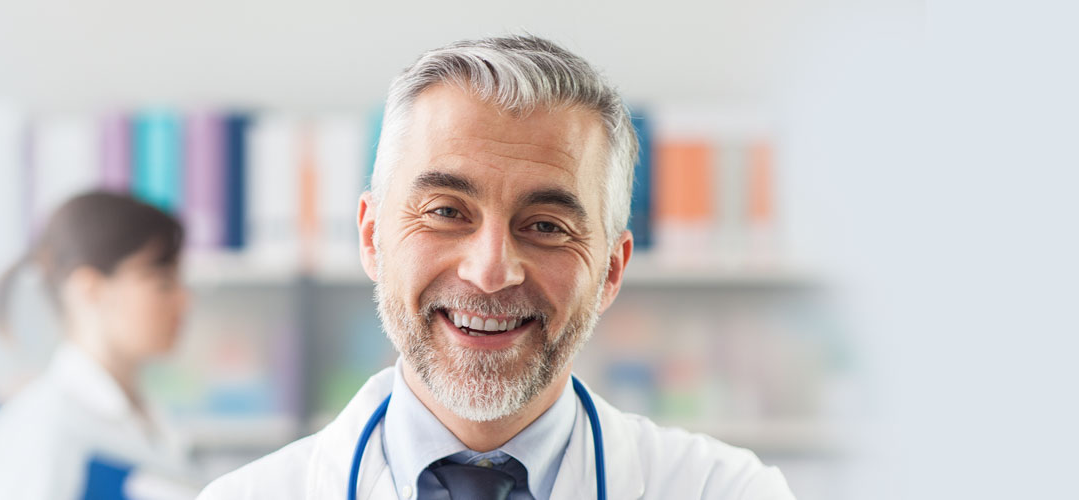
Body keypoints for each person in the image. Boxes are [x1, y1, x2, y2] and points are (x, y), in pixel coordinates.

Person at [200, 36, 795, 499]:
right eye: (446, 211)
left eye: (545, 226)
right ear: (373, 235)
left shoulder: (729, 491)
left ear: (611, 270)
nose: (490, 272)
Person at [0, 192, 199, 500]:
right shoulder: (37, 430)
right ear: (89, 288)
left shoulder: (147, 416)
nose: (184, 300)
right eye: (162, 282)